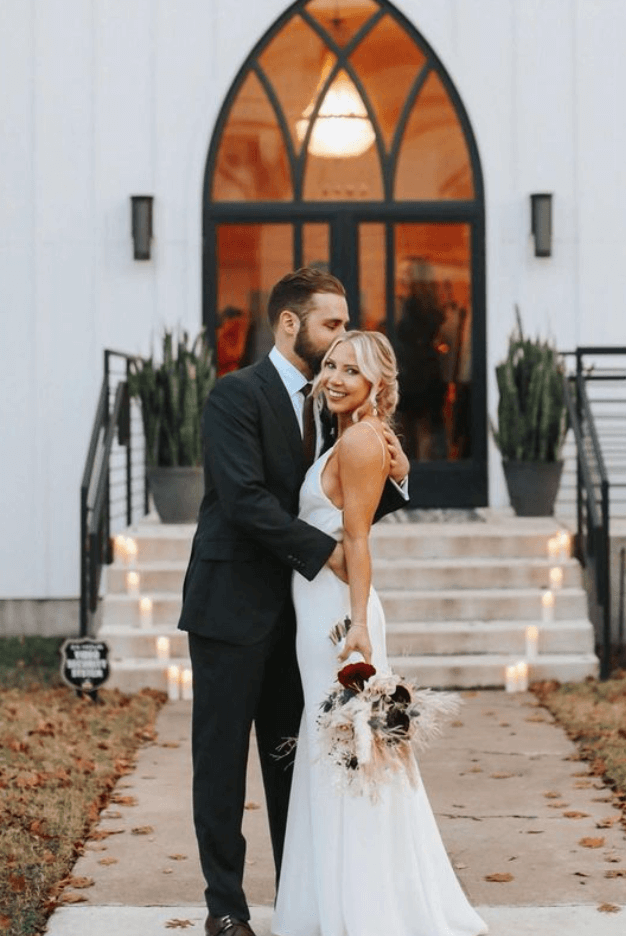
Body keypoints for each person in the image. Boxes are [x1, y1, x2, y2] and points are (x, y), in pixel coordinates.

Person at [177, 268, 410, 936]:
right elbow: (246, 499)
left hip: (298, 619)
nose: (341, 343)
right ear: (290, 323)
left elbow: (343, 502)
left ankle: (301, 898)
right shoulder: (234, 395)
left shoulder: (330, 407)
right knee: (221, 764)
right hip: (230, 609)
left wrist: (395, 477)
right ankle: (225, 908)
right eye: (332, 325)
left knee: (293, 762)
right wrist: (329, 556)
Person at [273, 330, 488, 936]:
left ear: (377, 386)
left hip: (341, 619)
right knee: (337, 753)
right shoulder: (346, 436)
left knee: (354, 755)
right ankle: (334, 901)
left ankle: (366, 910)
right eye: (332, 366)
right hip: (319, 612)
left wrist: (361, 625)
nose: (336, 378)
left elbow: (358, 540)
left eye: (353, 371)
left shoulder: (362, 441)